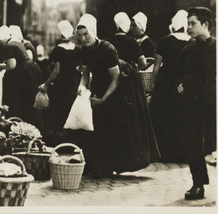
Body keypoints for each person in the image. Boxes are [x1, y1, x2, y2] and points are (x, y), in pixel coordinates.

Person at [66, 14, 159, 178]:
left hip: (119, 86)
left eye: (86, 34)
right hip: (100, 84)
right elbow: (85, 74)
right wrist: (81, 88)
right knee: (98, 123)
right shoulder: (85, 51)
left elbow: (116, 79)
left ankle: (115, 165)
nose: (83, 38)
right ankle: (102, 165)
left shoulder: (108, 49)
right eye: (80, 35)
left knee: (116, 122)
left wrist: (103, 99)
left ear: (93, 31)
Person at [175, 7, 216, 200]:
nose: (188, 27)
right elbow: (177, 73)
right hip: (193, 105)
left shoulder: (216, 48)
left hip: (215, 104)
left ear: (205, 24)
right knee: (193, 144)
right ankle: (198, 185)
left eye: (193, 23)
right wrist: (180, 85)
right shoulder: (188, 49)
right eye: (188, 23)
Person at [149, 10, 191, 162]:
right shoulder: (191, 41)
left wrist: (153, 84)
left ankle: (164, 152)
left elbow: (157, 65)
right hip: (184, 83)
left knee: (165, 117)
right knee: (182, 117)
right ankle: (183, 153)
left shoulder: (166, 40)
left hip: (165, 83)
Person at [38, 20, 81, 145]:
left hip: (61, 85)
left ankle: (58, 142)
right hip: (74, 83)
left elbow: (56, 71)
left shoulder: (58, 50)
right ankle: (71, 140)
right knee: (70, 110)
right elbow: (80, 68)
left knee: (59, 112)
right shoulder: (77, 50)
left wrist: (46, 84)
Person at [0, 25, 44, 131]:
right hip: (31, 71)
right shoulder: (18, 43)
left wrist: (1, 66)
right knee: (30, 102)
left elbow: (12, 65)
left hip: (24, 74)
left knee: (19, 103)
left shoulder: (8, 46)